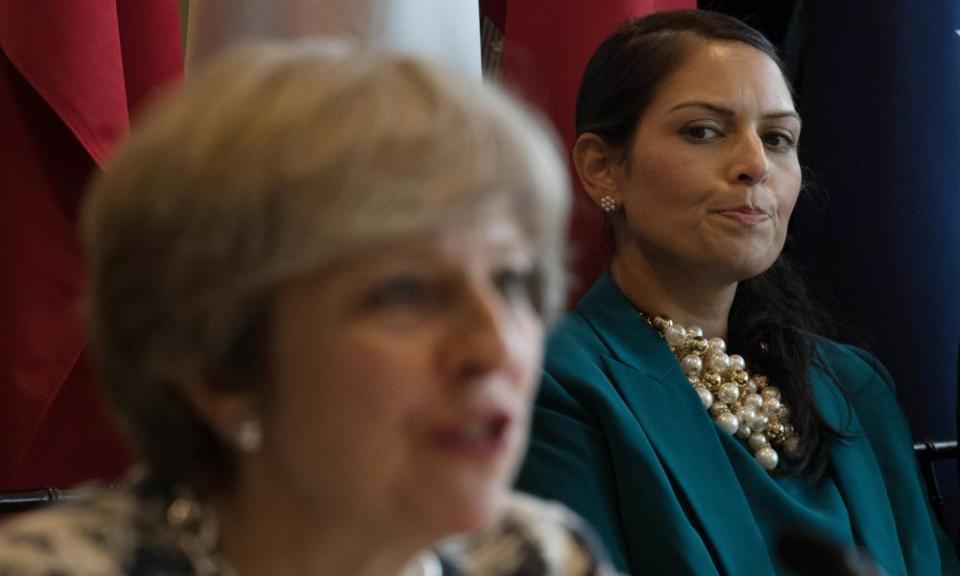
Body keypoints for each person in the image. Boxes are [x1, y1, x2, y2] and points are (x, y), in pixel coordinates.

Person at [0, 42, 617, 575]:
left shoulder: (536, 556)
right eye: (404, 293)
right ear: (218, 367)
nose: (495, 346)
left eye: (510, 282)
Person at [515, 9, 959, 575]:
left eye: (778, 138)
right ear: (602, 168)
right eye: (703, 130)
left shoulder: (857, 386)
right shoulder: (549, 382)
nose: (755, 164)